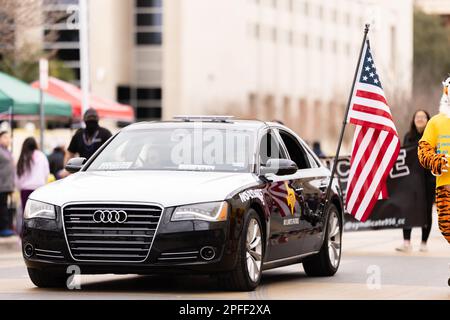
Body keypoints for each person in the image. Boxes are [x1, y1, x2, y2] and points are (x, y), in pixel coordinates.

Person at [396, 110, 435, 252]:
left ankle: (424, 243)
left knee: (426, 211)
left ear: (428, 120)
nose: (420, 119)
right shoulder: (408, 136)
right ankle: (407, 243)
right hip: (410, 180)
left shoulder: (432, 136)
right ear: (413, 119)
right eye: (417, 117)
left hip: (428, 180)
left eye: (423, 117)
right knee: (407, 209)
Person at [418, 76, 450, 247]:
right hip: (445, 185)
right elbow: (423, 149)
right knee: (447, 228)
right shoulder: (436, 122)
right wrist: (436, 161)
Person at [16, 137, 50, 232]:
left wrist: (19, 187)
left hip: (25, 190)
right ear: (35, 145)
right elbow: (46, 172)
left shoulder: (23, 157)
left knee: (26, 215)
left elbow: (18, 175)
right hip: (39, 189)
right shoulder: (42, 156)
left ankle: (24, 235)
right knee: (38, 215)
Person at [0, 131, 15, 237]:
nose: (8, 139)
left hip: (7, 185)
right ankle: (3, 228)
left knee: (4, 206)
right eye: (5, 137)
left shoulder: (7, 151)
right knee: (2, 207)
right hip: (1, 184)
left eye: (9, 137)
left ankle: (5, 227)